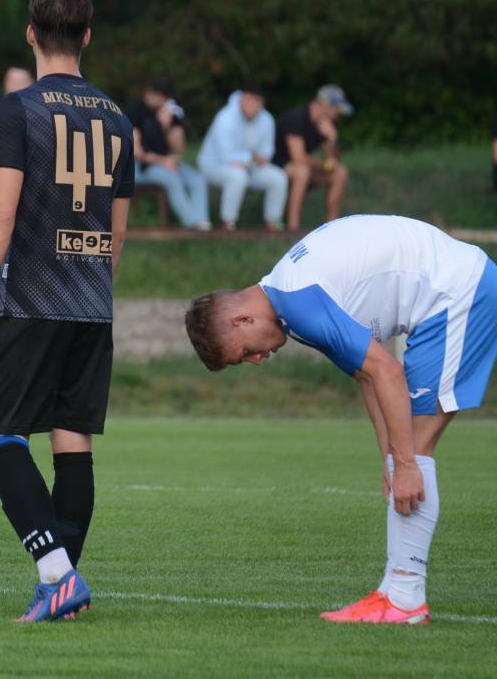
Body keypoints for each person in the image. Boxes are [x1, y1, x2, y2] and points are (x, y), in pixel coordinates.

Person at [184, 215, 497, 625]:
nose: (257, 360)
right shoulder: (290, 303)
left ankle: (405, 599)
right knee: (408, 455)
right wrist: (390, 460)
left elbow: (388, 371)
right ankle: (395, 593)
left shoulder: (298, 303)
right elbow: (368, 378)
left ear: (241, 320)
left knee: (417, 452)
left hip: (457, 293)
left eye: (245, 353)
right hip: (450, 293)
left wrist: (403, 463)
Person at [0, 0, 133, 623]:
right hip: (92, 301)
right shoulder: (118, 118)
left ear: (30, 34)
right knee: (72, 439)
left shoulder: (17, 110)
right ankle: (65, 587)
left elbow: (0, 211)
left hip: (29, 300)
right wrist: (94, 285)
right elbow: (117, 231)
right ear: (87, 37)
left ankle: (58, 577)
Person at [197, 84, 287, 230]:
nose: (253, 105)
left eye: (257, 101)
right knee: (238, 176)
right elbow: (224, 155)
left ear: (262, 103)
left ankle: (273, 222)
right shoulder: (225, 117)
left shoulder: (267, 119)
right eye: (249, 100)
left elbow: (267, 152)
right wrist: (250, 158)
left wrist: (254, 159)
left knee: (278, 178)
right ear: (241, 100)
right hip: (215, 166)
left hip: (250, 167)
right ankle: (228, 222)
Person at [128, 77, 209, 229]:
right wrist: (163, 161)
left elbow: (178, 149)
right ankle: (194, 225)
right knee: (172, 179)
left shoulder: (169, 113)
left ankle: (203, 223)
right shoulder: (136, 111)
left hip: (164, 164)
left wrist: (167, 127)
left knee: (197, 179)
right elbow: (136, 152)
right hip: (138, 167)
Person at [274, 85, 352, 231]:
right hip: (279, 166)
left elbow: (333, 160)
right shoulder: (296, 118)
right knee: (302, 171)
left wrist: (332, 138)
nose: (338, 114)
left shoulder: (324, 124)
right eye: (336, 109)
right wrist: (324, 166)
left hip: (303, 167)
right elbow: (298, 158)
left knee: (340, 173)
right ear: (325, 106)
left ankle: (332, 228)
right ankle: (293, 228)